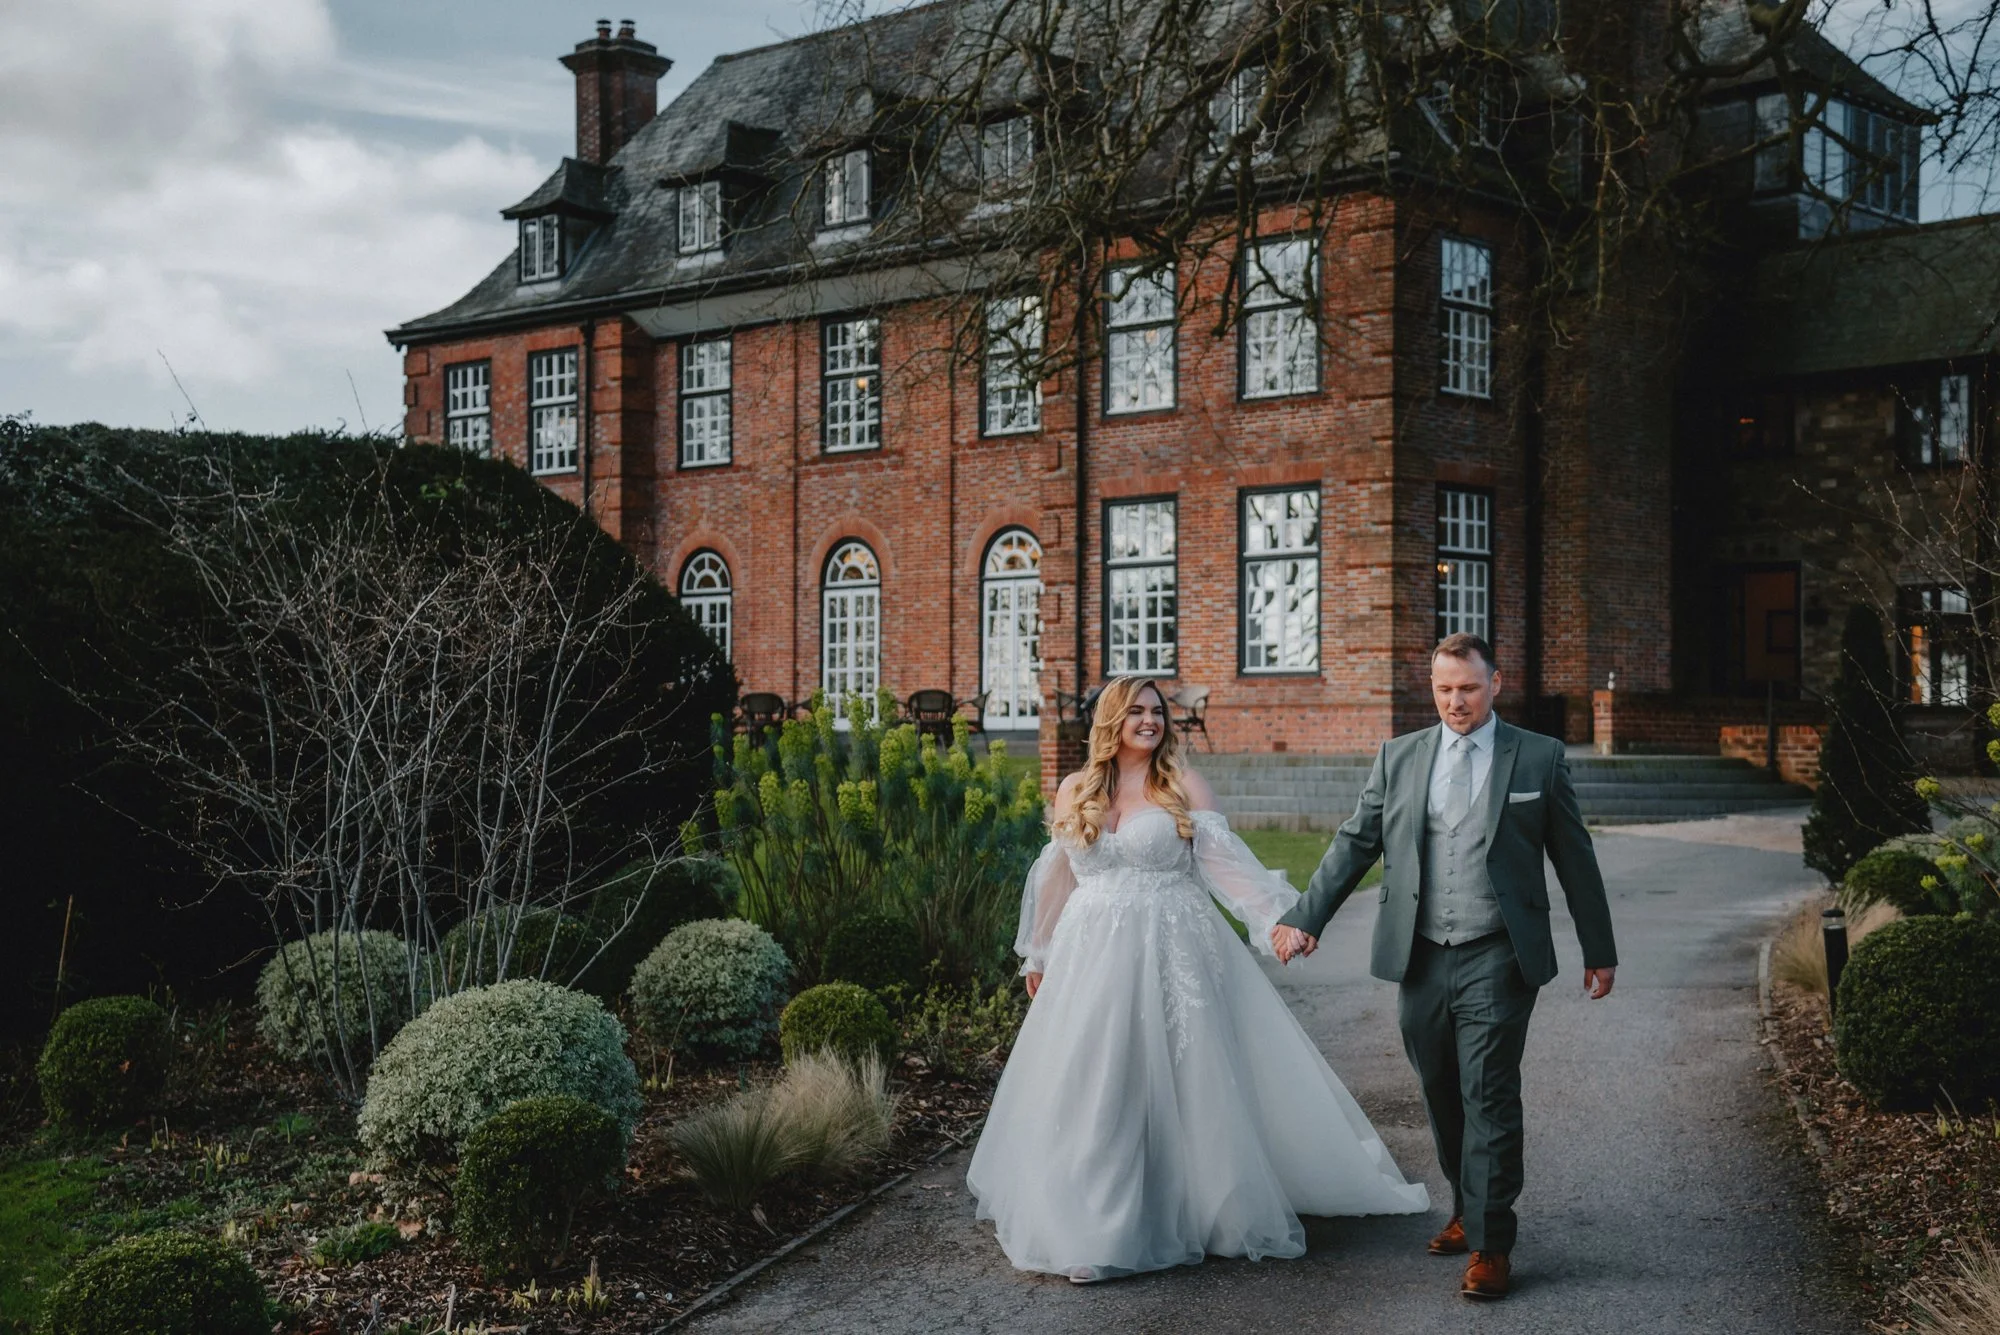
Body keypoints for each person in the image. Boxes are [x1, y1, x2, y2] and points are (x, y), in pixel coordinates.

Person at [966, 676, 1428, 1283]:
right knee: (1098, 1078)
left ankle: (1190, 1206)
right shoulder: (1076, 789)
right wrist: (1040, 955)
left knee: (1179, 1081)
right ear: (1111, 719)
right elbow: (1058, 880)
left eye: (1157, 711)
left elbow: (1227, 867)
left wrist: (1280, 923)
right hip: (1090, 958)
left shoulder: (1180, 784)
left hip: (1170, 951)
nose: (1150, 720)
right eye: (1136, 710)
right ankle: (1095, 1224)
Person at [1270, 632, 1619, 1301]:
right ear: (1431, 687)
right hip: (1421, 952)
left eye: (1467, 687)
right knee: (1440, 1087)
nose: (1455, 701)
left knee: (1488, 1090)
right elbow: (1355, 842)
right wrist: (1305, 916)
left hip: (1499, 950)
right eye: (1443, 688)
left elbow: (1575, 857)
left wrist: (1598, 949)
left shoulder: (1538, 758)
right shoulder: (1400, 757)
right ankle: (1467, 1204)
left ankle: (1492, 1241)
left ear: (1496, 682)